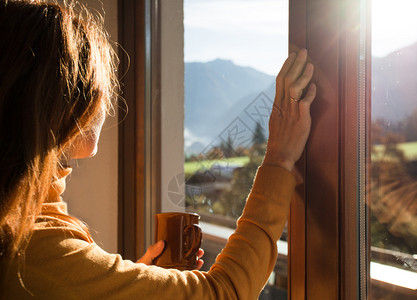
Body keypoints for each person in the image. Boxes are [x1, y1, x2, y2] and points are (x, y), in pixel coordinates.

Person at [0, 0, 316, 299]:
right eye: (96, 84)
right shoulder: (35, 246)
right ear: (65, 103)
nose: (105, 100)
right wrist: (279, 158)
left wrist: (132, 286)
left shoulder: (27, 222)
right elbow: (224, 293)